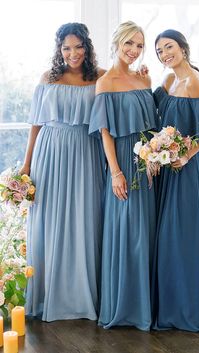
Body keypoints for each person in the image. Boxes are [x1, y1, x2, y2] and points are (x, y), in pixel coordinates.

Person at [20, 22, 106, 321]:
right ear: (60, 49)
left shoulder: (100, 77)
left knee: (85, 218)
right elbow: (36, 123)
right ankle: (48, 296)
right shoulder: (49, 77)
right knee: (50, 219)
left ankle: (82, 296)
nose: (73, 53)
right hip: (51, 151)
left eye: (78, 46)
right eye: (67, 47)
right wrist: (27, 163)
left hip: (85, 150)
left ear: (87, 47)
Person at [151, 29, 199, 332]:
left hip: (187, 170)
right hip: (166, 169)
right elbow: (154, 110)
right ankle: (169, 304)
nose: (164, 54)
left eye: (168, 47)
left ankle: (186, 309)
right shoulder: (169, 80)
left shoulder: (195, 81)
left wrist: (186, 154)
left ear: (182, 47)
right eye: (159, 51)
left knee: (182, 238)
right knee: (167, 237)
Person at [89, 21, 158, 331]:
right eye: (129, 43)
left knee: (146, 233)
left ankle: (146, 306)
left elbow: (152, 127)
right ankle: (125, 306)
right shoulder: (106, 82)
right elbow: (104, 132)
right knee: (126, 233)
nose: (134, 50)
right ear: (116, 43)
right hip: (122, 164)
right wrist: (115, 172)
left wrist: (155, 158)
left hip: (147, 163)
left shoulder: (144, 80)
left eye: (140, 46)